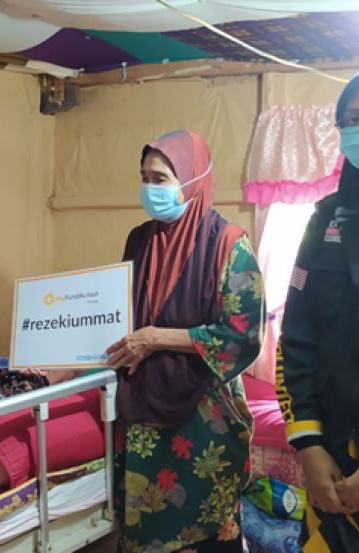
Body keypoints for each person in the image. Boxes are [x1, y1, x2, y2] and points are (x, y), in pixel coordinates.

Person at [104, 131, 264, 552]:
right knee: (144, 525)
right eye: (144, 177)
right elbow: (117, 314)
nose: (149, 188)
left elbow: (244, 335)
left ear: (193, 180)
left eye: (160, 178)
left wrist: (157, 339)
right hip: (140, 409)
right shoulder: (139, 240)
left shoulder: (228, 245)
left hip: (204, 417)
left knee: (205, 526)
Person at [278, 57, 359, 552]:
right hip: (333, 475)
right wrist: (307, 444)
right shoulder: (326, 221)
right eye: (353, 120)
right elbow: (297, 336)